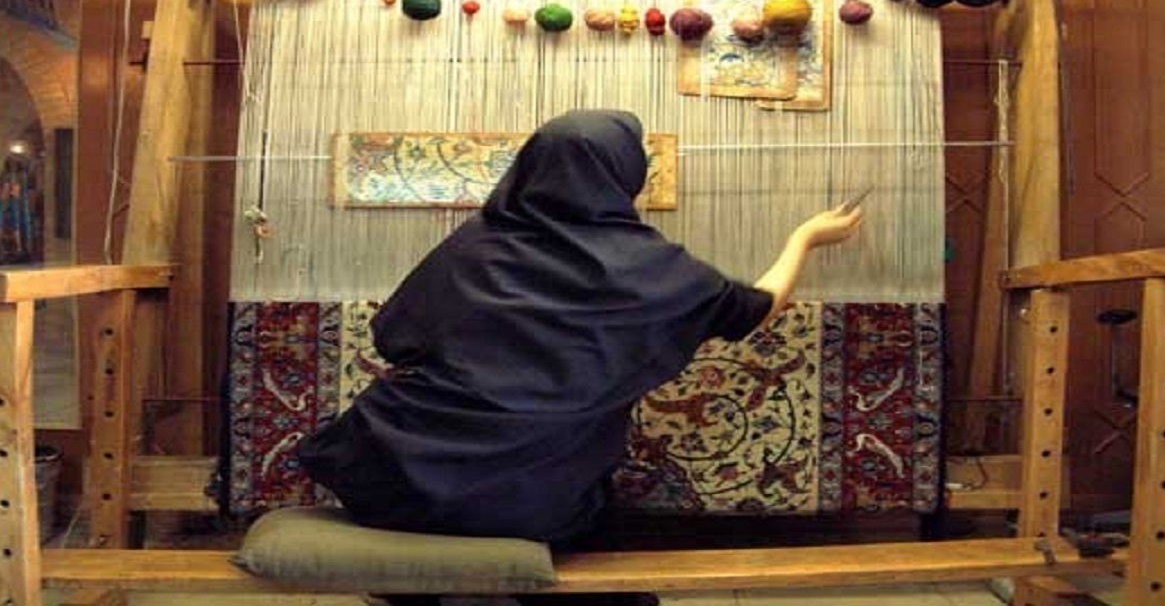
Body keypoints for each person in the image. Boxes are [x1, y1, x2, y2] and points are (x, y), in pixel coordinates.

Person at [296, 109, 862, 606]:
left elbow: (391, 340)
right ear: (624, 174)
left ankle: (410, 587)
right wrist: (805, 239)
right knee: (581, 531)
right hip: (534, 504)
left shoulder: (475, 246)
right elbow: (755, 308)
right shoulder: (651, 268)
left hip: (391, 478)